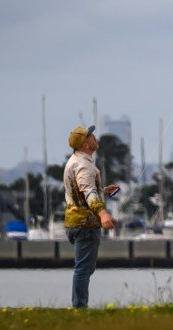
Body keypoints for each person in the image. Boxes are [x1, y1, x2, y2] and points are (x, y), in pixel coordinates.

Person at [63, 125, 117, 309]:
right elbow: (88, 193)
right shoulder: (84, 166)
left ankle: (79, 307)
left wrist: (103, 191)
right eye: (91, 136)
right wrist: (103, 214)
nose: (95, 137)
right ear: (86, 145)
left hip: (74, 221)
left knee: (84, 268)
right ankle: (80, 309)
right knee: (83, 269)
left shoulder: (75, 161)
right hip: (85, 224)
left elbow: (83, 191)